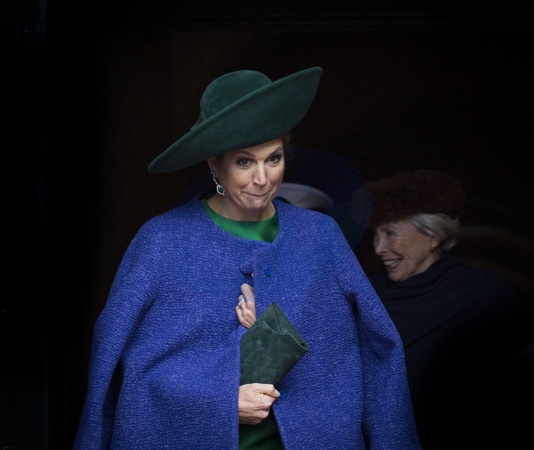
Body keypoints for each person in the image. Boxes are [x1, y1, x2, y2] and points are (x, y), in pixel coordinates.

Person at [73, 66, 422, 449]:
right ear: (214, 163)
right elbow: (121, 364)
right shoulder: (162, 241)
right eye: (244, 161)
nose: (262, 178)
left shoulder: (320, 237)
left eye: (273, 159)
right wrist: (219, 403)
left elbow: (378, 348)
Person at [364, 169, 532, 449]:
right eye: (375, 235)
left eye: (390, 233)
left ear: (432, 236)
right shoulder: (366, 293)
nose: (379, 248)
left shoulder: (483, 293)